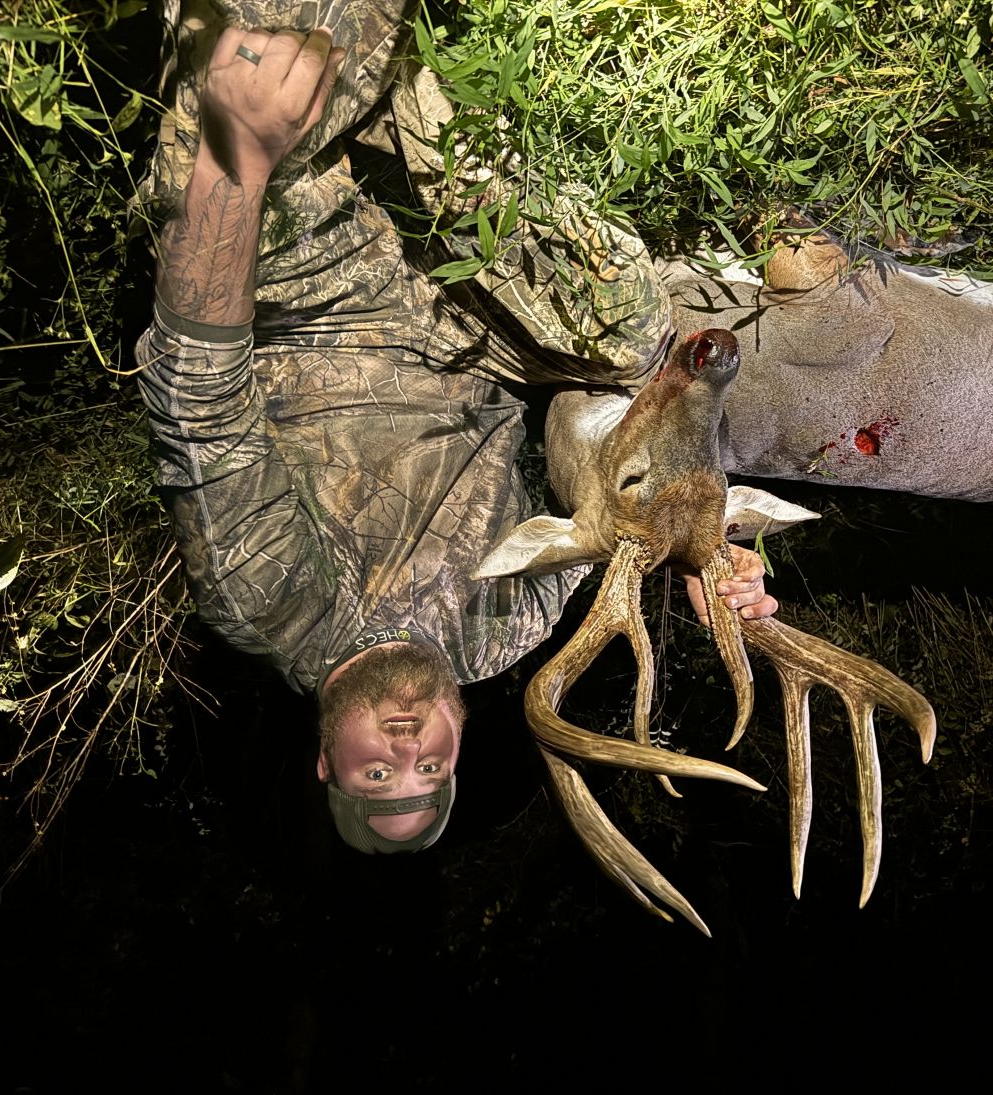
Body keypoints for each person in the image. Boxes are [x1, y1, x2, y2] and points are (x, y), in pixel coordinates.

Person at [136, 15, 777, 853]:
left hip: (314, 296)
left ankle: (376, 68)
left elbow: (197, 394)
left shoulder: (268, 604)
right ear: (459, 751)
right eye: (431, 771)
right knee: (628, 328)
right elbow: (590, 471)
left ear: (327, 760)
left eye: (377, 774)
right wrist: (684, 544)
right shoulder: (503, 629)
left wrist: (239, 160)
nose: (408, 750)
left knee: (268, 76)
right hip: (471, 324)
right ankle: (429, 93)